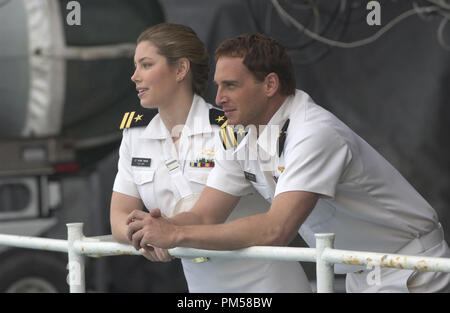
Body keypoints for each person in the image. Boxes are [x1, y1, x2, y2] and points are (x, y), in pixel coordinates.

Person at [126, 33, 450, 293]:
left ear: (270, 85)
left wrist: (176, 236)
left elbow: (276, 229)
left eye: (231, 85)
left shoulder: (314, 133)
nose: (219, 96)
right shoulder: (237, 134)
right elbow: (205, 214)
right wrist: (160, 228)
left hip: (413, 270)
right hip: (360, 272)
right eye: (218, 85)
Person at [110, 24, 311, 293]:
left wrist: (164, 232)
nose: (134, 76)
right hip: (201, 285)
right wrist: (146, 237)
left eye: (146, 65)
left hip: (266, 282)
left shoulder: (233, 128)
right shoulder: (134, 136)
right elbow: (117, 218)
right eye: (135, 66)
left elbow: (283, 206)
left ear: (181, 69)